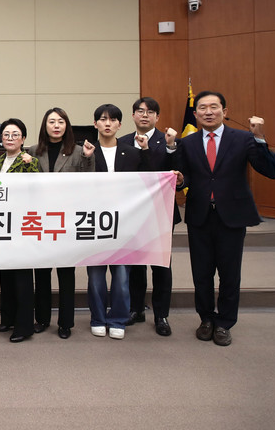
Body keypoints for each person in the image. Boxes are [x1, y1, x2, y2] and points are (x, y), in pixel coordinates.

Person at [170, 91, 275, 346]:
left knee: (230, 274)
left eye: (214, 107)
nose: (208, 112)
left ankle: (224, 323)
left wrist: (260, 137)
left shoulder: (244, 139)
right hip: (199, 216)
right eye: (203, 108)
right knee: (201, 273)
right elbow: (184, 178)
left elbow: (272, 171)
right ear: (195, 114)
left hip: (231, 216)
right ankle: (206, 319)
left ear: (225, 111)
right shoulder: (188, 142)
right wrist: (181, 181)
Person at [26, 108, 95, 339]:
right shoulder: (33, 151)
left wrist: (88, 158)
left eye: (61, 122)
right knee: (41, 273)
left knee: (66, 273)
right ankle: (42, 319)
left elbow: (89, 183)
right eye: (52, 122)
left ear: (67, 126)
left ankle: (65, 323)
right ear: (45, 125)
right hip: (40, 220)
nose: (56, 126)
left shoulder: (79, 152)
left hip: (66, 221)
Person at [118, 97, 180, 336]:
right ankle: (136, 309)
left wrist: (169, 147)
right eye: (140, 111)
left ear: (157, 117)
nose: (145, 115)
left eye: (150, 112)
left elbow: (173, 172)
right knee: (135, 264)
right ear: (133, 115)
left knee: (161, 266)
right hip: (133, 213)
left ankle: (161, 315)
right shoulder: (123, 141)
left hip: (160, 213)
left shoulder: (168, 141)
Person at [88, 103, 150, 340]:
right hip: (94, 222)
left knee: (122, 277)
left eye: (113, 120)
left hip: (124, 222)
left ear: (120, 124)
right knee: (96, 277)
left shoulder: (132, 152)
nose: (107, 124)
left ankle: (118, 319)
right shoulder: (88, 152)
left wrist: (146, 151)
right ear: (95, 123)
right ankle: (97, 318)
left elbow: (148, 180)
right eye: (103, 119)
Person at [0, 118, 40, 343]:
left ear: (23, 139)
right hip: (2, 223)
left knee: (22, 278)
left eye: (15, 135)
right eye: (6, 134)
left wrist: (30, 165)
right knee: (6, 275)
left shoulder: (30, 161)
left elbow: (37, 189)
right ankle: (8, 319)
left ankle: (24, 326)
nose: (10, 138)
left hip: (22, 224)